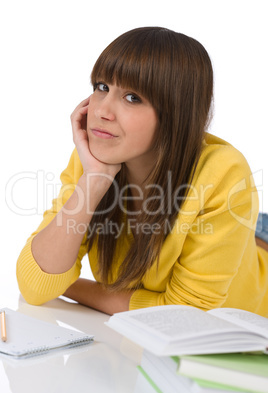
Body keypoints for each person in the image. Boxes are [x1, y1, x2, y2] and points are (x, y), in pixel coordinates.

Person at [16, 27, 268, 317]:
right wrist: (94, 180)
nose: (102, 111)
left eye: (133, 97)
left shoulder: (223, 172)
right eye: (102, 87)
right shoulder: (95, 158)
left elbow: (185, 314)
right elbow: (34, 286)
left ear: (176, 114)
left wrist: (67, 286)